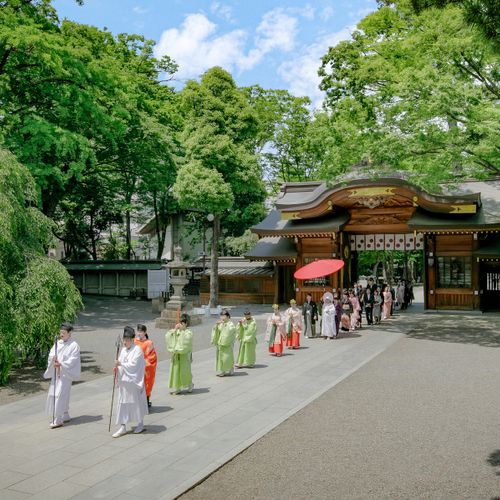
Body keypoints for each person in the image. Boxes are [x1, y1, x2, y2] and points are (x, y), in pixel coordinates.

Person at [112, 326, 148, 438]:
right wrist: (117, 368)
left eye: (127, 340)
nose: (125, 342)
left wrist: (121, 364)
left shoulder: (137, 350)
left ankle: (140, 423)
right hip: (124, 382)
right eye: (124, 340)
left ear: (133, 340)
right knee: (122, 404)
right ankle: (122, 426)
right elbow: (121, 364)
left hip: (133, 382)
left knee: (136, 403)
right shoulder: (123, 350)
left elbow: (134, 366)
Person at [44, 323, 81, 429]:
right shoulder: (58, 343)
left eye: (64, 333)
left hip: (65, 374)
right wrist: (53, 359)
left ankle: (58, 418)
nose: (61, 335)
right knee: (55, 393)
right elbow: (51, 354)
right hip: (56, 372)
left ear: (69, 333)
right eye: (61, 333)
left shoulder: (74, 345)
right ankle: (65, 414)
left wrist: (61, 363)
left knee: (60, 394)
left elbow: (72, 360)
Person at [165, 313, 193, 394]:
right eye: (180, 323)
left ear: (186, 324)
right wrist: (174, 330)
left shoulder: (188, 333)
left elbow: (186, 342)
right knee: (176, 370)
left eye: (182, 323)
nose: (180, 325)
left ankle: (190, 384)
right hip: (176, 354)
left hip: (185, 355)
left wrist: (181, 332)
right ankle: (177, 388)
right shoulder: (177, 331)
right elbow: (168, 336)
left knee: (185, 371)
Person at [134, 324, 157, 407]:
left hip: (145, 368)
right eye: (138, 331)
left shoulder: (149, 343)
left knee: (146, 385)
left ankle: (146, 402)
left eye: (141, 332)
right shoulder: (134, 342)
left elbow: (152, 357)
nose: (139, 333)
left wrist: (143, 363)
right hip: (136, 368)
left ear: (145, 332)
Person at [211, 309, 236, 376]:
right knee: (221, 358)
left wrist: (224, 326)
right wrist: (216, 326)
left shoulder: (230, 324)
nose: (222, 318)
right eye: (221, 316)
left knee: (227, 357)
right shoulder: (221, 323)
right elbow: (218, 330)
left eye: (224, 316)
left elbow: (231, 330)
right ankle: (223, 371)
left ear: (228, 317)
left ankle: (231, 368)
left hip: (227, 343)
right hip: (221, 343)